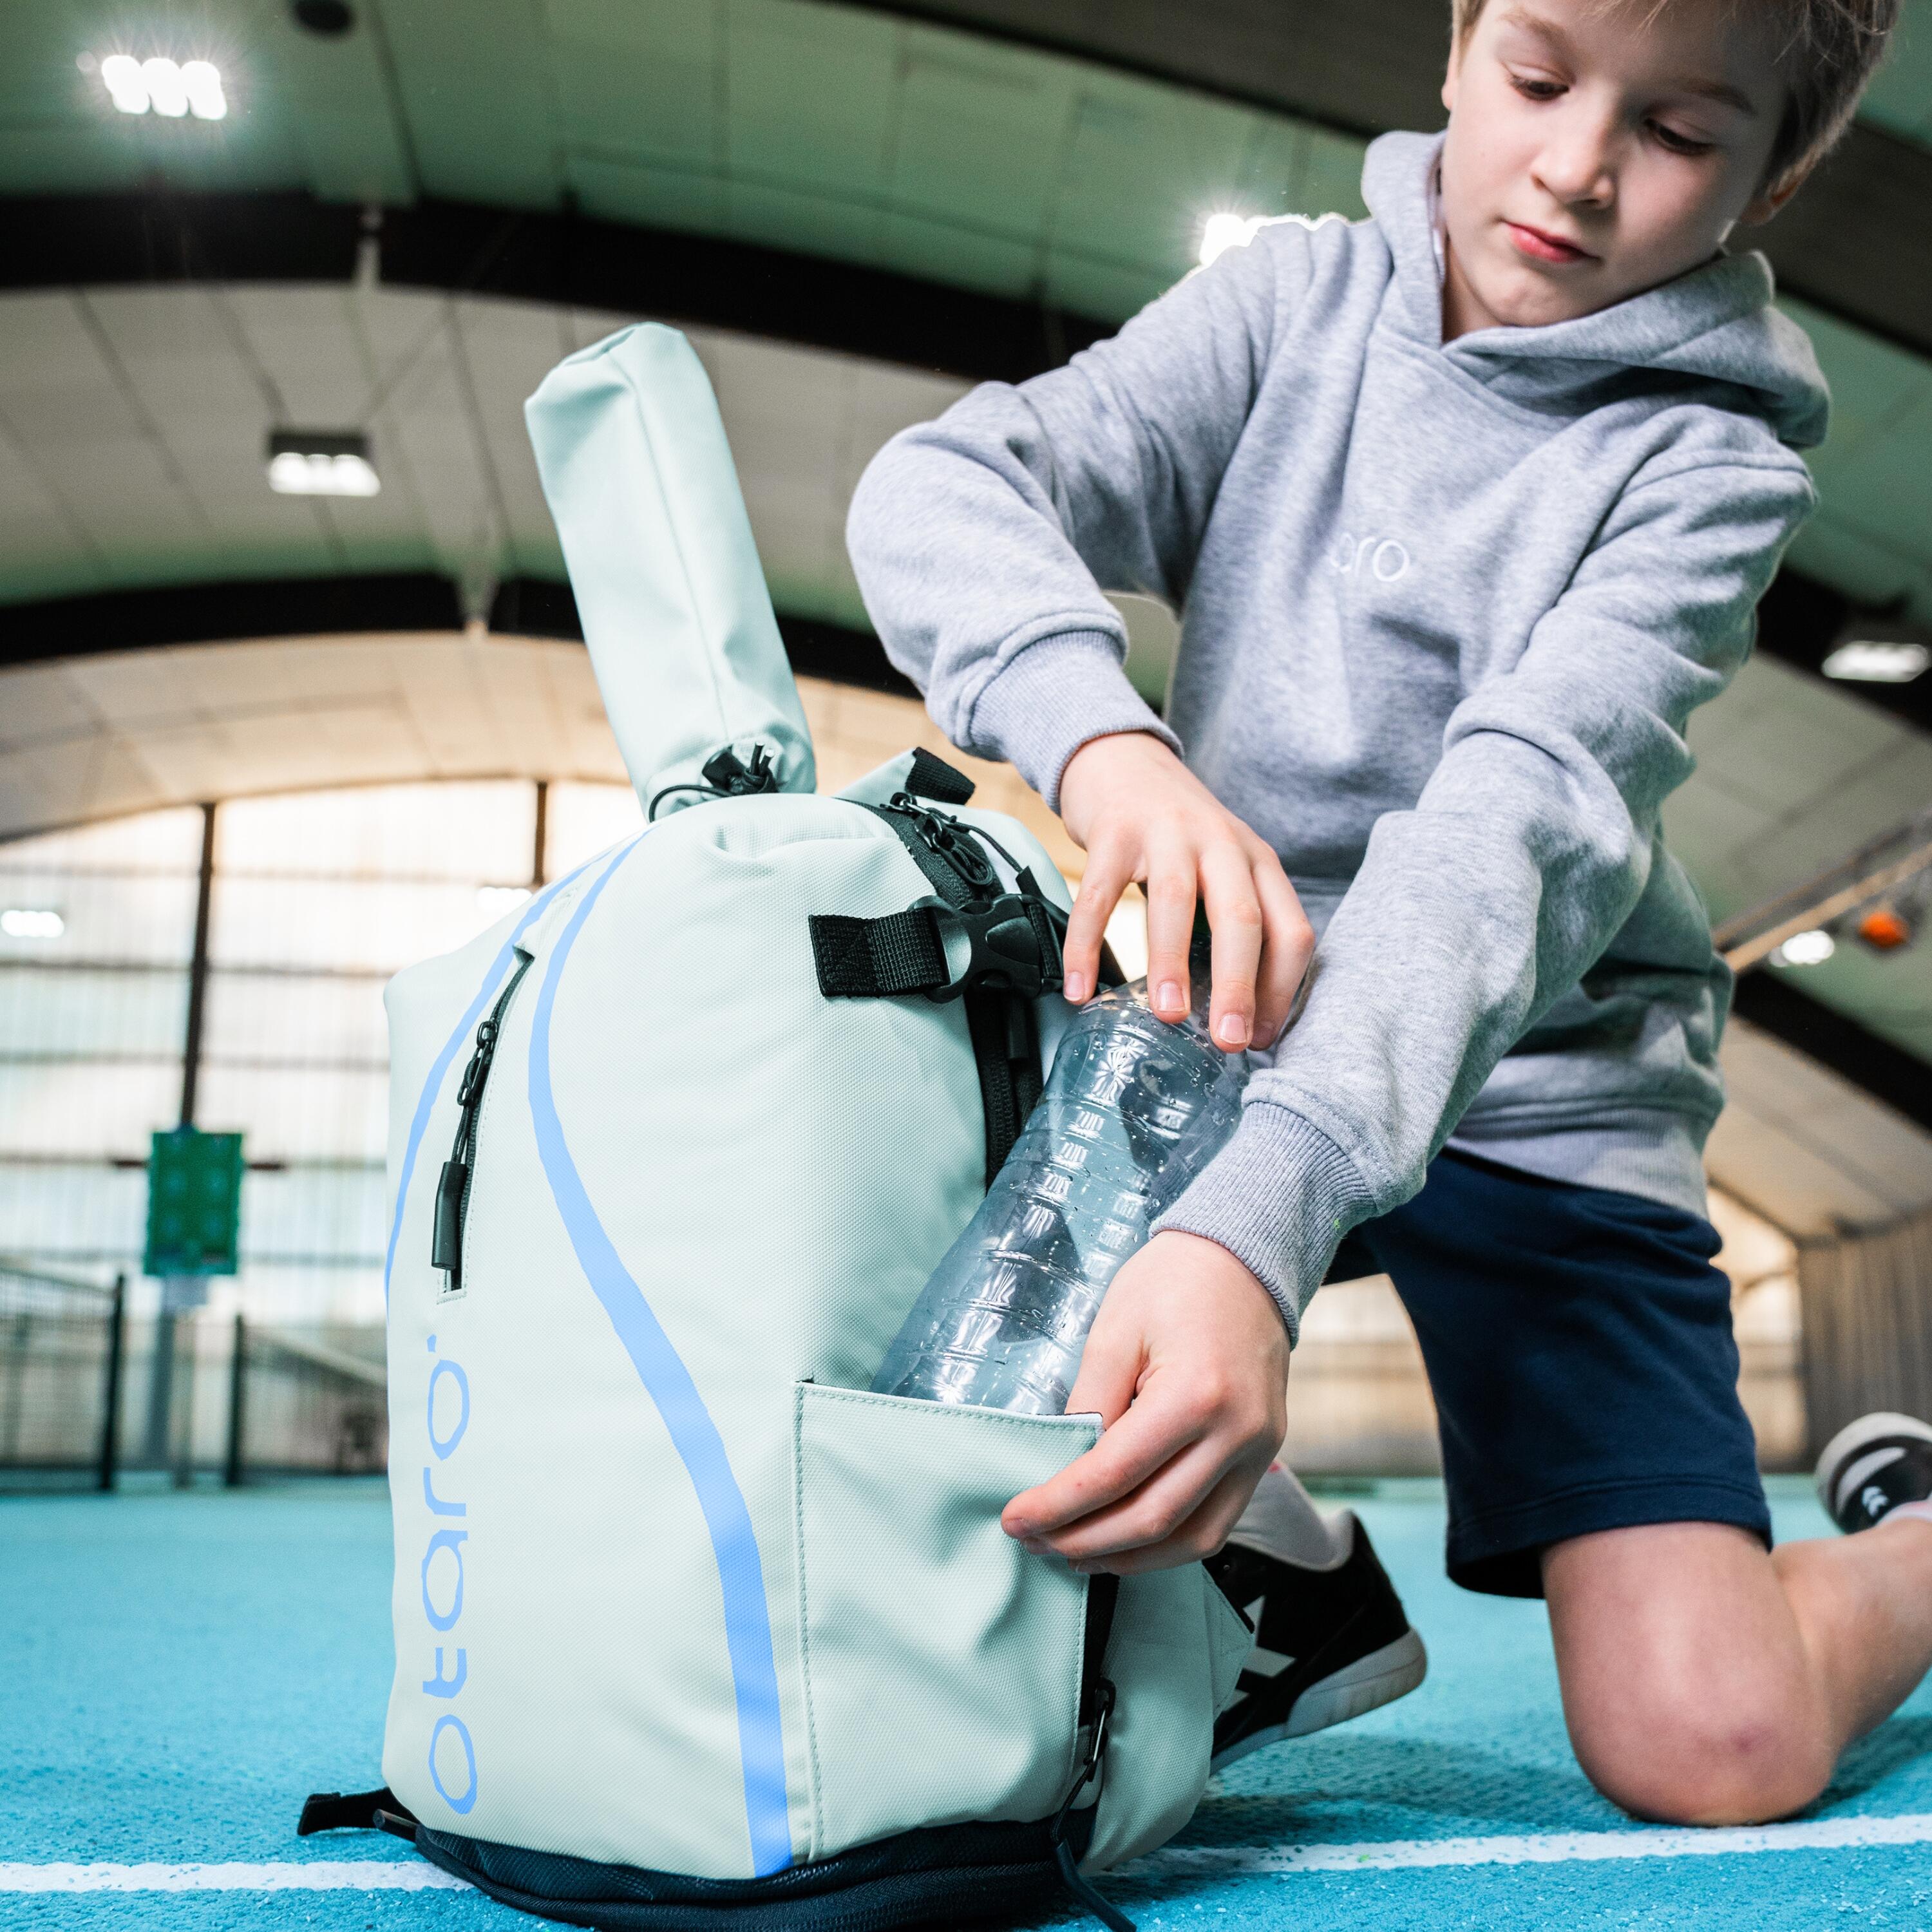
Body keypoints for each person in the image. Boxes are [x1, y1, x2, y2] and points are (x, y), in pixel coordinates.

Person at [849, 0, 1932, 1824]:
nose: (1577, 167)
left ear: (1776, 176)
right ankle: (1289, 1584)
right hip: (1217, 1039)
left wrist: (1252, 1233)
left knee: (1713, 1749)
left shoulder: (1715, 466)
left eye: (1678, 133)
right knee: (908, 1315)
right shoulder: (1291, 305)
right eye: (1539, 76)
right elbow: (942, 483)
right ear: (1455, 43)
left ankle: (1915, 1535)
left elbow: (1510, 834)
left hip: (1547, 1085)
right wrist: (1108, 750)